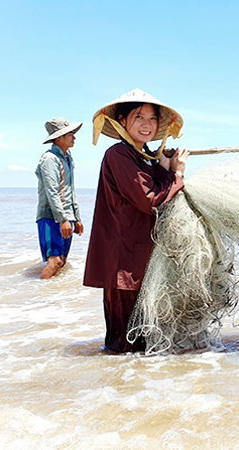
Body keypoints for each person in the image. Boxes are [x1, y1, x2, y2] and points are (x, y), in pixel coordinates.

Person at [83, 89, 188, 353]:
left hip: (139, 260)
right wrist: (177, 174)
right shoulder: (118, 155)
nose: (147, 124)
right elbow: (150, 200)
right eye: (138, 116)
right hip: (124, 265)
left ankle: (135, 389)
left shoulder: (143, 156)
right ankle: (120, 389)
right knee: (126, 344)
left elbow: (155, 186)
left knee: (143, 339)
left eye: (152, 119)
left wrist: (164, 167)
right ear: (122, 120)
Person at [35, 118, 84, 279]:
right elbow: (52, 192)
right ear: (59, 138)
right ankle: (39, 295)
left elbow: (71, 189)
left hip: (66, 216)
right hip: (50, 217)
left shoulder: (68, 158)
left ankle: (52, 301)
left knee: (62, 261)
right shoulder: (49, 159)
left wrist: (76, 218)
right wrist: (62, 219)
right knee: (54, 262)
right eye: (71, 134)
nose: (74, 138)